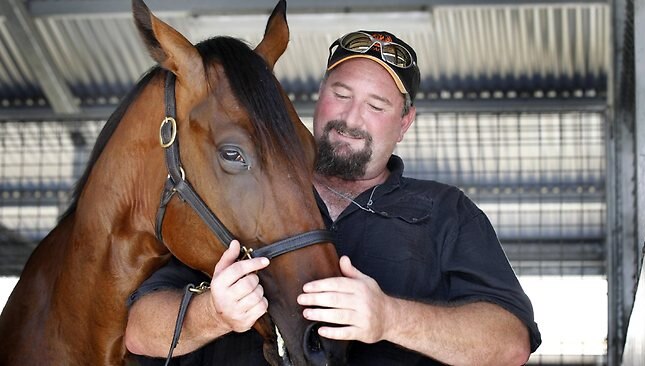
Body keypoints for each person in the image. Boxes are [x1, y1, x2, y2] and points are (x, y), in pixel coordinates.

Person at [125, 30, 542, 365]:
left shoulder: (447, 213)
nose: (351, 118)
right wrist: (213, 314)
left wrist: (390, 319)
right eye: (341, 95)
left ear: (405, 122)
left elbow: (508, 346)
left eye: (377, 105)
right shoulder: (237, 189)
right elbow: (140, 331)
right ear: (319, 95)